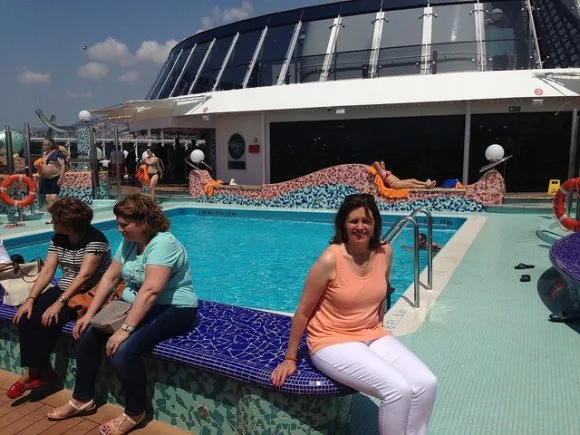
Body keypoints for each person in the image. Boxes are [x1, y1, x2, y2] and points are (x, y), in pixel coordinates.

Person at [271, 194, 437, 434]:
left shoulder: (384, 253)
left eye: (366, 221)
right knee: (397, 389)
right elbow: (303, 313)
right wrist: (290, 358)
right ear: (343, 225)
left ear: (375, 224)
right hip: (331, 340)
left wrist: (380, 329)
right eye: (353, 221)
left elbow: (381, 294)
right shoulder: (330, 259)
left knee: (426, 383)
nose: (360, 227)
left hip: (371, 333)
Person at [48, 194, 197, 435]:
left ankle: (135, 411)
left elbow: (151, 291)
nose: (119, 229)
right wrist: (90, 314)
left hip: (173, 308)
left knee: (124, 351)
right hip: (132, 303)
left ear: (144, 221)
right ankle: (82, 399)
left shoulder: (163, 243)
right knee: (86, 334)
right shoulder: (129, 241)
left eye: (124, 224)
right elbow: (110, 277)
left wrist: (125, 330)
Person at [9, 198, 111, 399]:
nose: (52, 223)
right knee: (24, 317)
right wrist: (30, 299)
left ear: (69, 224)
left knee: (51, 319)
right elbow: (48, 270)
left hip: (88, 293)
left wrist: (59, 304)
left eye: (55, 220)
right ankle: (43, 371)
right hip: (65, 288)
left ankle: (32, 373)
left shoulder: (95, 240)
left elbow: (84, 277)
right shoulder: (58, 238)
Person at [39, 138, 67, 209]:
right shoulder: (44, 154)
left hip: (54, 178)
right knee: (48, 198)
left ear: (49, 145)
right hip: (45, 178)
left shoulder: (57, 153)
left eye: (44, 145)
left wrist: (61, 178)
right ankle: (52, 215)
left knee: (53, 197)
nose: (43, 146)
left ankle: (62, 209)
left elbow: (63, 165)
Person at [372, 161, 436, 189]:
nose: (384, 165)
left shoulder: (385, 171)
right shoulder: (381, 171)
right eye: (383, 164)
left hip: (398, 181)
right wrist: (370, 167)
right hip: (395, 184)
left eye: (384, 164)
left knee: (413, 180)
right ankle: (427, 187)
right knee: (411, 185)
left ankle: (426, 183)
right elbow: (375, 163)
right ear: (379, 166)